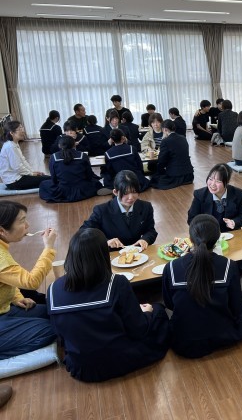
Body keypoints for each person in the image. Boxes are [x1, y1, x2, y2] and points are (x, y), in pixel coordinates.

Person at [47, 228, 170, 382]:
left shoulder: (53, 289)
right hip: (118, 360)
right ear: (103, 256)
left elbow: (60, 333)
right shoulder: (117, 283)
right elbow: (138, 329)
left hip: (81, 367)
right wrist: (147, 312)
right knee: (158, 311)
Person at [163, 214, 242, 358]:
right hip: (223, 336)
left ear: (190, 239)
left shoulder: (171, 267)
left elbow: (169, 303)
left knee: (160, 311)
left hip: (184, 343)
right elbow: (236, 306)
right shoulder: (229, 265)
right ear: (218, 239)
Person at [0, 201, 57, 360]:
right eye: (22, 221)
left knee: (55, 314)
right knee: (51, 329)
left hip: (5, 309)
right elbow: (31, 282)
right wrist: (48, 248)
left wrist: (17, 297)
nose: (27, 225)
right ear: (2, 230)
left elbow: (8, 279)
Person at [82, 170, 157, 250]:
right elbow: (83, 233)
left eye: (134, 192)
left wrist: (145, 239)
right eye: (125, 193)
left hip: (137, 252)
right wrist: (106, 242)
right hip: (111, 253)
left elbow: (151, 231)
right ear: (115, 192)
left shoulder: (146, 207)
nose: (131, 197)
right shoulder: (101, 210)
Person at [39, 136, 109, 203]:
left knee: (43, 184)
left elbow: (54, 178)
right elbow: (89, 175)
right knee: (96, 183)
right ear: (74, 145)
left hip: (62, 190)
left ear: (59, 145)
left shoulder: (53, 157)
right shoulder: (83, 155)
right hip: (82, 188)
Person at [187, 164, 242, 231]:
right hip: (207, 233)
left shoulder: (238, 194)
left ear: (227, 182)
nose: (213, 184)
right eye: (210, 179)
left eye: (218, 181)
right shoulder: (200, 195)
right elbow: (191, 219)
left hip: (230, 233)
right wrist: (204, 228)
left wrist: (234, 222)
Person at [0, 121, 50, 190]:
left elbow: (23, 160)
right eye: (20, 129)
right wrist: (31, 174)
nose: (23, 131)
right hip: (14, 181)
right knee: (48, 180)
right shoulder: (10, 147)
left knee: (47, 177)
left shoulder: (14, 143)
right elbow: (17, 167)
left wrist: (32, 172)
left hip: (19, 176)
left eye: (22, 128)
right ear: (12, 133)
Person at [150, 119, 194, 190]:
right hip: (189, 175)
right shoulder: (183, 138)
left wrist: (158, 170)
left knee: (155, 178)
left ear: (165, 129)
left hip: (175, 175)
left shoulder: (165, 141)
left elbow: (161, 160)